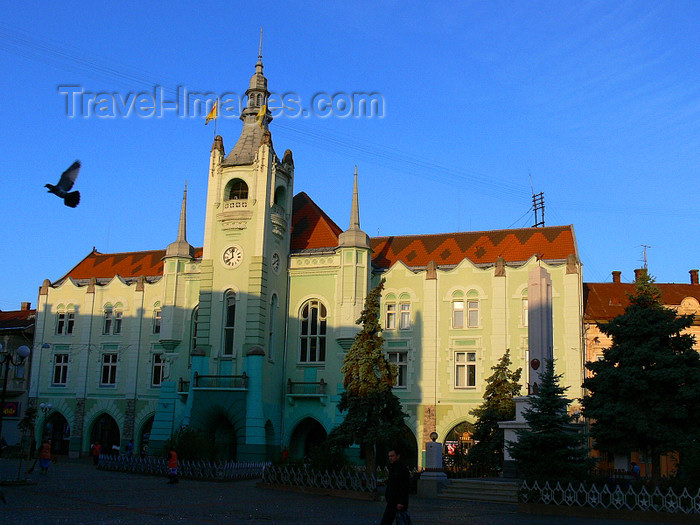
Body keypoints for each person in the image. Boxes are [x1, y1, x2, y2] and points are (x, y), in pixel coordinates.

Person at [380, 448, 410, 525]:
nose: (390, 458)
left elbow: (404, 486)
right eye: (389, 456)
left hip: (397, 502)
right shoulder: (392, 467)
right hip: (392, 501)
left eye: (392, 456)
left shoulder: (401, 469)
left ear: (398, 456)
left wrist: (401, 502)